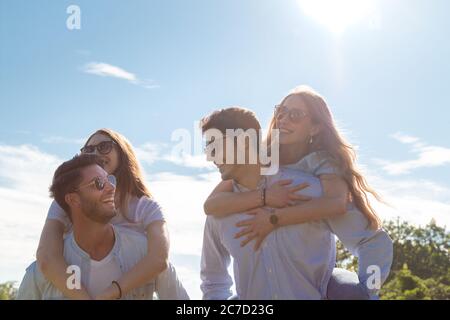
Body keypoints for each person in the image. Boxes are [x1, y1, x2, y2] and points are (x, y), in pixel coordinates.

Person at [200, 106, 392, 299]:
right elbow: (213, 282)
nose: (209, 156)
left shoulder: (309, 190)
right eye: (207, 147)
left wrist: (368, 291)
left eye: (215, 145)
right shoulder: (219, 213)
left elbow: (372, 240)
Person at [17, 154, 188, 300]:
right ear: (73, 200)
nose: (111, 188)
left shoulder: (144, 254)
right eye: (98, 183)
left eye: (109, 180)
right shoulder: (40, 273)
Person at [36, 129, 170, 299]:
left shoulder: (147, 208)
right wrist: (82, 297)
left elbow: (159, 259)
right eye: (88, 150)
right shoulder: (65, 203)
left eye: (104, 146)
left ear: (122, 152)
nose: (96, 153)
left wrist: (112, 293)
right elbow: (47, 257)